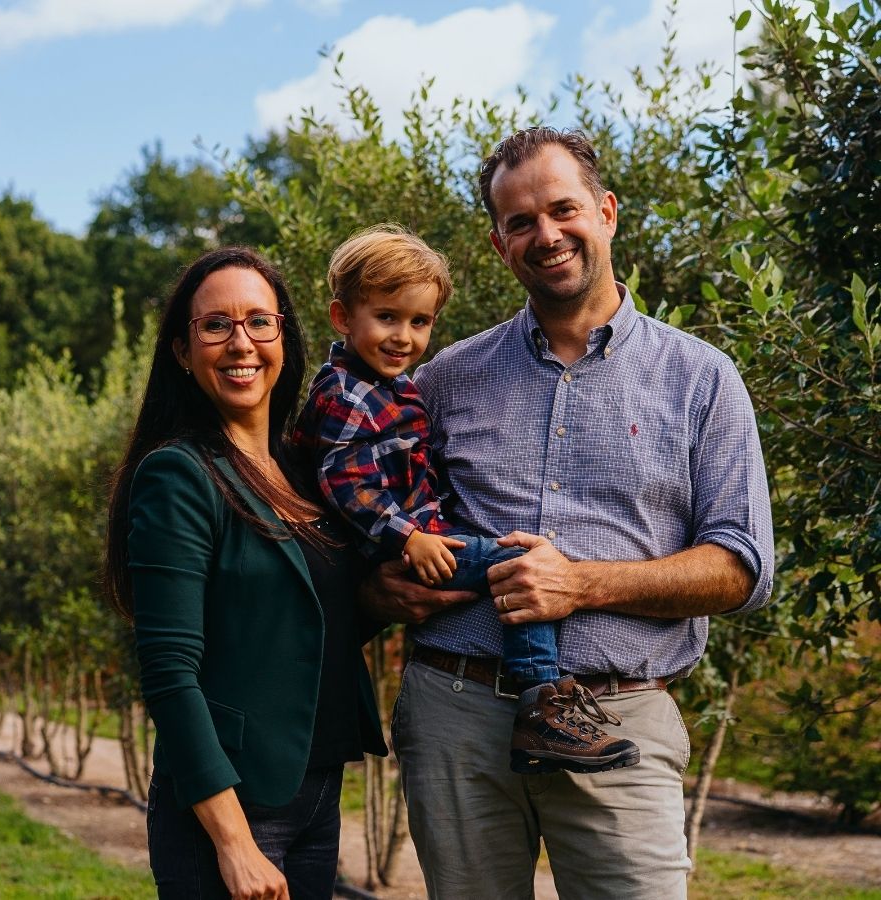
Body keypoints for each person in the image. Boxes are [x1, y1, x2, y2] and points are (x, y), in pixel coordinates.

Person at [364, 127, 775, 899]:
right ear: (498, 243)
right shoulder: (443, 380)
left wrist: (582, 585)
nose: (545, 234)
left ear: (607, 212)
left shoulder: (701, 380)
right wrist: (382, 592)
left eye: (563, 209)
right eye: (521, 222)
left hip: (617, 717)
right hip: (456, 713)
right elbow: (373, 526)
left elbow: (741, 566)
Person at [292, 223, 638, 776]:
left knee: (512, 561)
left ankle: (543, 694)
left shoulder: (398, 386)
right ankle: (542, 702)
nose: (403, 336)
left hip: (417, 539)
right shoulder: (345, 393)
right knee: (520, 567)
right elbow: (344, 484)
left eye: (419, 321)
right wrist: (411, 536)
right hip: (398, 550)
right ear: (342, 317)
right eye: (387, 317)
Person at [105, 246, 387, 900]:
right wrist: (233, 842)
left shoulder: (303, 469)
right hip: (232, 807)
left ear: (284, 336)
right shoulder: (180, 474)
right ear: (182, 350)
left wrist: (388, 599)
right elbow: (170, 675)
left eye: (260, 322)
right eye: (216, 325)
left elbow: (295, 624)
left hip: (314, 791)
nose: (242, 343)